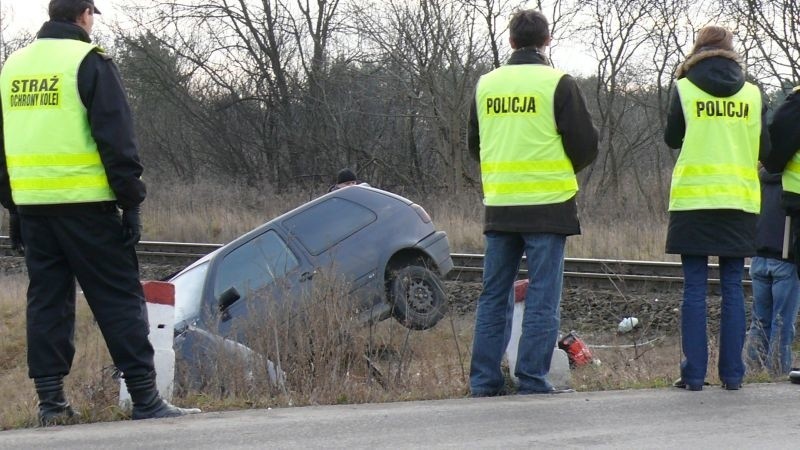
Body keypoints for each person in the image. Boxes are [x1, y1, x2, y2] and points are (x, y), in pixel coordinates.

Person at [0, 0, 199, 424]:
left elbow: (3, 144)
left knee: (46, 302)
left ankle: (51, 405)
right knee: (118, 298)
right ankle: (146, 399)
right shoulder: (89, 61)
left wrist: (13, 206)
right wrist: (131, 203)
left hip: (35, 210)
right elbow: (116, 137)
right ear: (84, 14)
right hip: (88, 208)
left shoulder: (13, 67)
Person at [467, 9, 598, 396]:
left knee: (494, 295)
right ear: (547, 40)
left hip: (501, 203)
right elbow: (586, 145)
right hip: (549, 205)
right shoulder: (558, 83)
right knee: (542, 295)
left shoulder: (486, 85)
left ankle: (484, 382)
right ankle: (532, 379)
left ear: (510, 41)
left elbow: (475, 145)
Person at [664, 25, 769, 391]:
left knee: (693, 287)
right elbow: (766, 150)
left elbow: (671, 138)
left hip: (693, 201)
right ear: (731, 51)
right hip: (738, 202)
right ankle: (733, 376)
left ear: (698, 49)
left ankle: (693, 376)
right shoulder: (754, 94)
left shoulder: (684, 87)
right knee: (732, 288)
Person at [745, 166, 800, 376]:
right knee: (782, 323)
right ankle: (776, 374)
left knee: (759, 322)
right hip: (786, 259)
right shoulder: (793, 183)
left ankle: (751, 372)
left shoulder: (761, 178)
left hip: (758, 257)